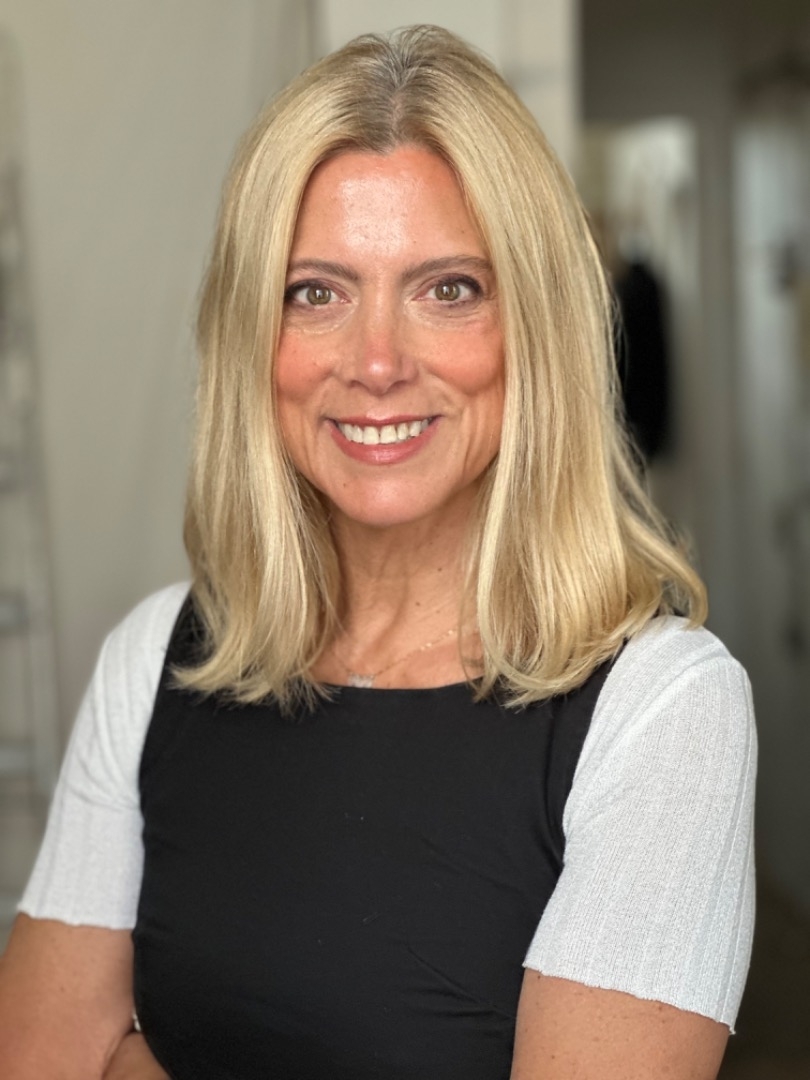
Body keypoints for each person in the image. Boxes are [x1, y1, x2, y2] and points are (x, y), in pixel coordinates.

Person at [0, 25, 755, 1080]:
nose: (378, 362)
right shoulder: (156, 659)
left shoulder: (664, 710)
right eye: (316, 292)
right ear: (251, 337)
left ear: (534, 328)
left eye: (449, 289)